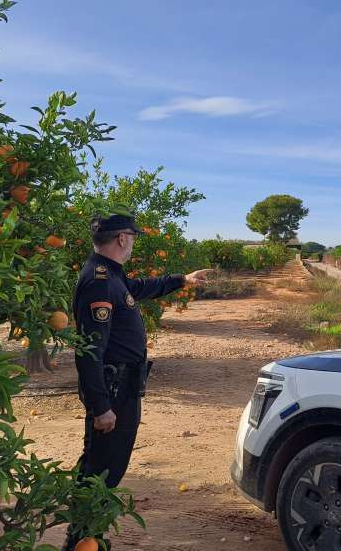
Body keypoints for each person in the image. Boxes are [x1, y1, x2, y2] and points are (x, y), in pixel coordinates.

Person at [63, 214, 213, 550]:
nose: (133, 242)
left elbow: (140, 288)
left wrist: (182, 279)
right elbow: (89, 352)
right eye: (133, 236)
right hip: (113, 392)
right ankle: (82, 542)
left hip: (124, 389)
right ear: (121, 239)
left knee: (105, 470)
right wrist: (101, 406)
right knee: (101, 473)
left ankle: (87, 540)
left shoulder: (112, 276)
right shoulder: (99, 281)